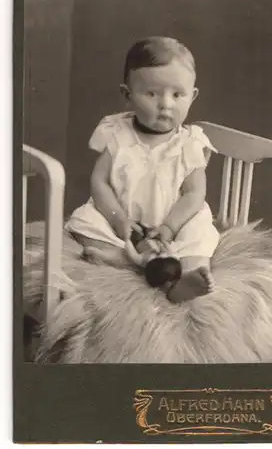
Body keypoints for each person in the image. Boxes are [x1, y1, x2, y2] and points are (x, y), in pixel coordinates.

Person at [65, 36, 219, 302]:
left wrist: (170, 228)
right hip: (124, 222)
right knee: (85, 222)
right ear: (128, 95)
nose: (166, 104)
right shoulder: (117, 134)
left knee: (200, 232)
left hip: (172, 223)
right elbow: (99, 182)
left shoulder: (190, 143)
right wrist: (117, 220)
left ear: (192, 97)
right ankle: (124, 259)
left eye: (177, 94)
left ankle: (188, 275)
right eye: (151, 94)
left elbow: (194, 194)